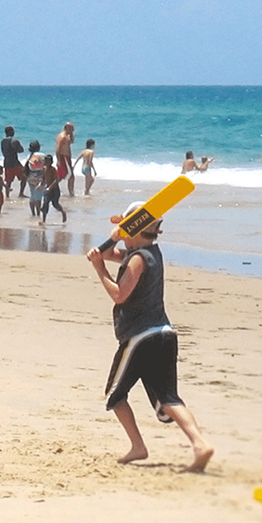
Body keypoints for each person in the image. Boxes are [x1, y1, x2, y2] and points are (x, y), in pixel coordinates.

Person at [86, 201, 214, 473]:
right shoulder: (150, 253)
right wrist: (113, 239)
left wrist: (99, 269)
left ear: (135, 227)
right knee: (168, 398)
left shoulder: (138, 258)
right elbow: (109, 254)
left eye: (125, 226)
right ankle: (200, 443)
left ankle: (137, 446)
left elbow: (120, 294)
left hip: (140, 338)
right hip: (164, 334)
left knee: (115, 394)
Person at [0, 126, 24, 198]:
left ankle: (7, 196)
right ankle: (21, 193)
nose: (14, 132)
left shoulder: (3, 141)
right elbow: (21, 150)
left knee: (8, 181)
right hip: (15, 163)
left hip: (7, 163)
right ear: (10, 132)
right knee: (24, 177)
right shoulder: (14, 141)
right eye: (13, 131)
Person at [40, 155, 66, 223]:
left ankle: (63, 212)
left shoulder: (53, 169)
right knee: (45, 203)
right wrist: (40, 184)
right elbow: (43, 178)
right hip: (48, 189)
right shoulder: (44, 169)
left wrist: (50, 188)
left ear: (51, 162)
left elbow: (56, 180)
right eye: (45, 161)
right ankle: (43, 221)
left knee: (55, 204)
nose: (46, 162)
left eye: (47, 161)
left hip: (54, 189)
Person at [24, 140, 46, 216]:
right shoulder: (42, 155)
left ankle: (33, 213)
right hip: (39, 177)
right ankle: (38, 213)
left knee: (32, 195)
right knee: (38, 197)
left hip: (31, 177)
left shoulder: (29, 156)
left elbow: (26, 167)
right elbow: (45, 166)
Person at [55, 122, 76, 196]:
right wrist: (58, 160)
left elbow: (72, 141)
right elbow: (58, 148)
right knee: (69, 176)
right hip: (63, 157)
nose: (73, 130)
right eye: (71, 128)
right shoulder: (62, 136)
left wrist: (71, 134)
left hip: (67, 157)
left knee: (63, 175)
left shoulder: (67, 136)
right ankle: (71, 193)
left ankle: (51, 187)